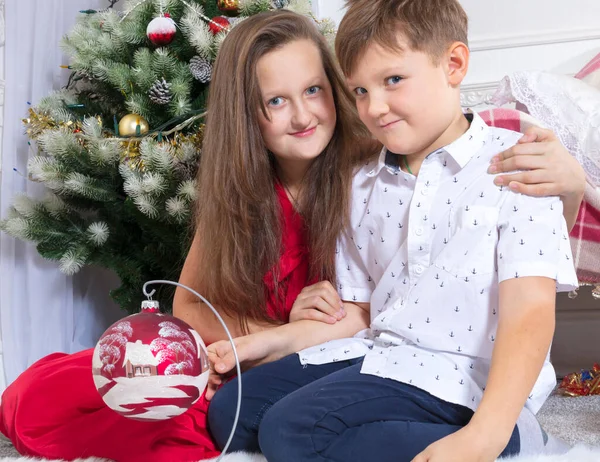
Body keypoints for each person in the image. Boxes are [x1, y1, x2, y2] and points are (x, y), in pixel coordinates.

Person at [0, 8, 584, 462]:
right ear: (249, 117)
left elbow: (527, 280)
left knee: (263, 431)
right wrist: (267, 337)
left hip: (400, 367)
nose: (303, 115)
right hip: (316, 355)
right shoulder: (292, 189)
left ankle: (493, 436)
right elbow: (202, 307)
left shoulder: (393, 157)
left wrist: (574, 182)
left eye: (315, 91)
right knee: (72, 399)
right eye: (275, 102)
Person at [206, 3, 583, 462]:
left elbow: (531, 313)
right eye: (360, 90)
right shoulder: (361, 181)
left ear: (454, 64)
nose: (374, 108)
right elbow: (358, 313)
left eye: (393, 81)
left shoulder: (519, 166)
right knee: (232, 410)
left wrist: (484, 434)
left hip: (460, 374)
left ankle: (508, 441)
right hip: (382, 355)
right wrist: (257, 344)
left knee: (292, 433)